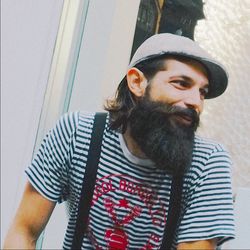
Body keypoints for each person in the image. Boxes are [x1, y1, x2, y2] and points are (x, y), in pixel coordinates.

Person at [4, 33, 235, 249]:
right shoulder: (77, 133)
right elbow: (24, 231)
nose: (196, 102)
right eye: (181, 84)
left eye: (202, 92)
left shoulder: (207, 163)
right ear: (136, 82)